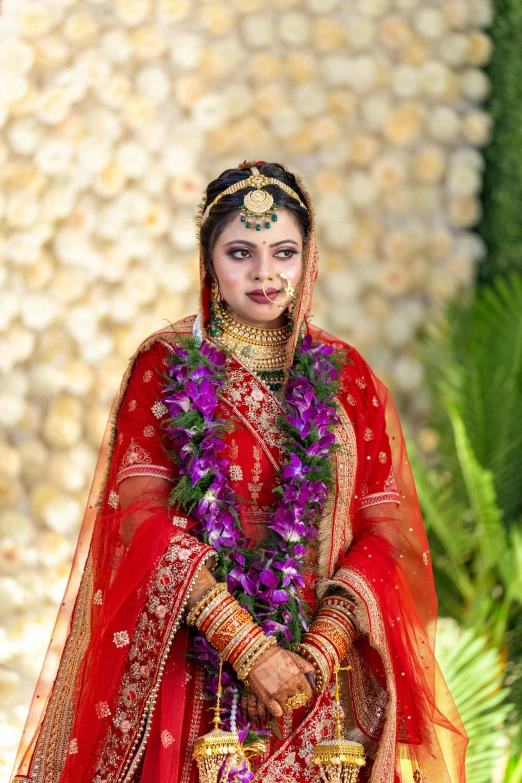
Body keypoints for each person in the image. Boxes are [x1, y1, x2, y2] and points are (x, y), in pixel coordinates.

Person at [11, 161, 467, 783]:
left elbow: (381, 532)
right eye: (240, 252)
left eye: (284, 252)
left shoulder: (347, 375)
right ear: (208, 260)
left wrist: (315, 650)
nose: (265, 273)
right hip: (200, 675)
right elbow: (140, 519)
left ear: (308, 258)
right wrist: (247, 647)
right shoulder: (166, 365)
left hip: (321, 683)